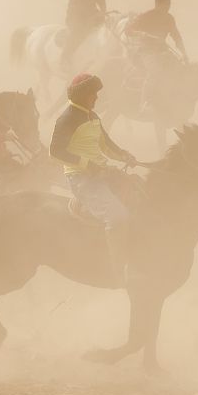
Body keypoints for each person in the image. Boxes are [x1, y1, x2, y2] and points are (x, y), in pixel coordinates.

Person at [50, 74, 138, 284]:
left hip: (102, 173)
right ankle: (117, 271)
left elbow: (106, 145)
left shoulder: (93, 116)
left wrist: (124, 155)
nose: (96, 98)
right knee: (118, 217)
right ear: (82, 95)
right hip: (81, 179)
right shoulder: (67, 119)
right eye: (93, 94)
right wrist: (88, 165)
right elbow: (55, 152)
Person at [125, 0, 188, 112]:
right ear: (158, 4)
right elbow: (128, 30)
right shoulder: (146, 16)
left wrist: (184, 54)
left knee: (178, 68)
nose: (168, 7)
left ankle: (172, 99)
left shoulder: (169, 18)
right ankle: (144, 103)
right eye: (166, 4)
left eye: (169, 4)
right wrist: (143, 34)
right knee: (155, 72)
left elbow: (177, 37)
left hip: (163, 51)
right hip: (147, 52)